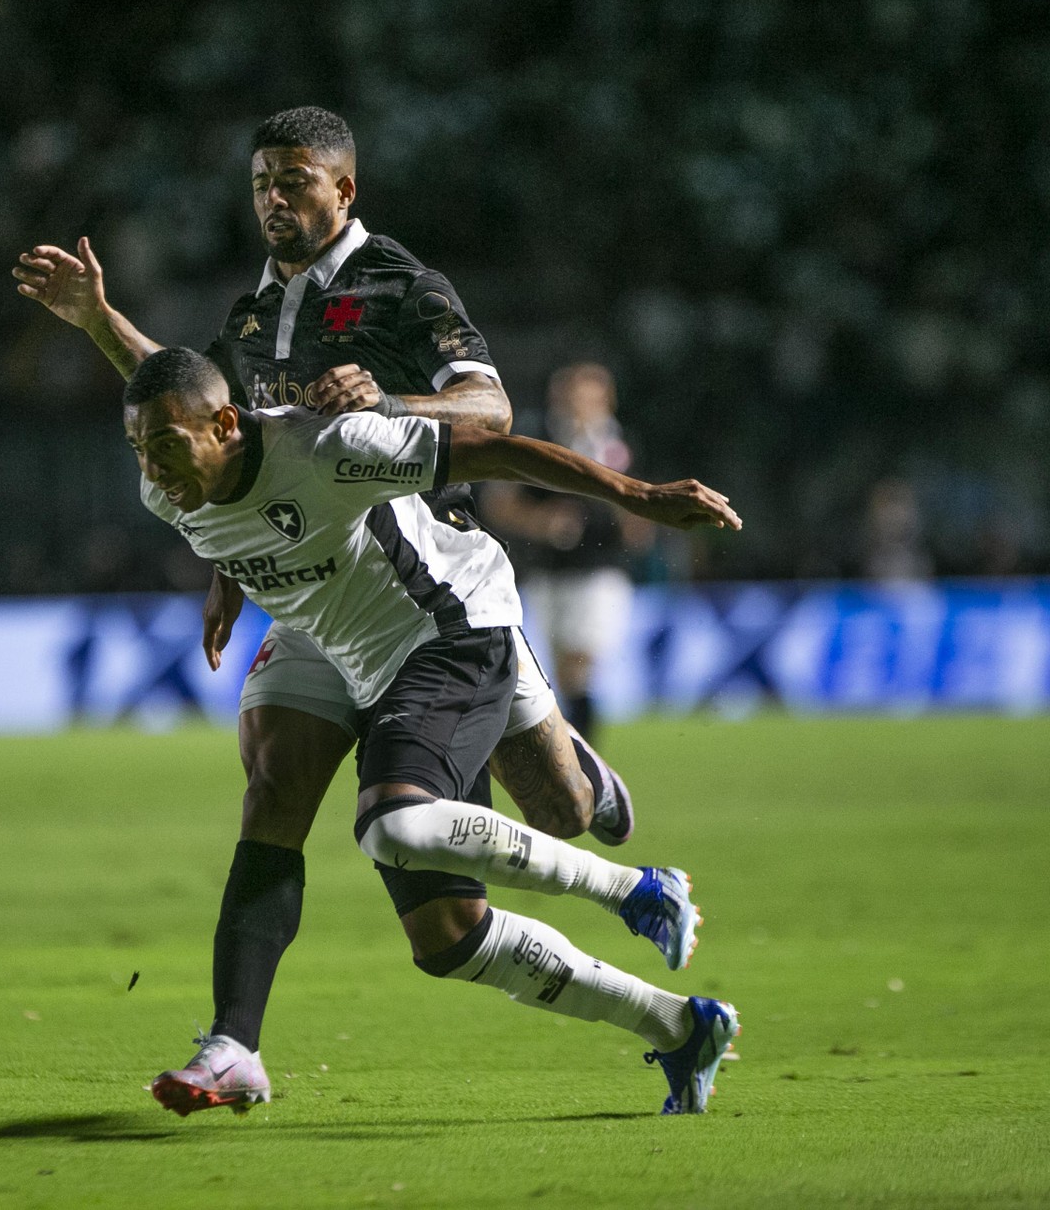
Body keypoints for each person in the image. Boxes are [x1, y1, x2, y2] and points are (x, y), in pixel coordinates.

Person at [14, 108, 639, 1086]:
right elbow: (207, 423)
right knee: (274, 784)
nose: (274, 196)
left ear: (343, 190)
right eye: (262, 179)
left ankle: (583, 776)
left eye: (296, 180)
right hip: (310, 589)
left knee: (539, 825)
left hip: (426, 576)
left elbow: (492, 412)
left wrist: (388, 402)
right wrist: (227, 568)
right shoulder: (251, 317)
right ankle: (234, 1043)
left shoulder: (399, 285)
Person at [120, 346, 742, 1116]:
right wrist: (94, 318)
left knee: (396, 823)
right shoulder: (169, 485)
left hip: (448, 632)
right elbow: (171, 404)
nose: (152, 467)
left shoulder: (323, 447)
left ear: (223, 424)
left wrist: (637, 495)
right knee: (447, 938)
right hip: (359, 662)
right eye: (139, 448)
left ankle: (636, 890)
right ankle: (680, 1027)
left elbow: (493, 448)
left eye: (167, 447)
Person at [479, 363, 646, 744]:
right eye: (573, 396)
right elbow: (499, 504)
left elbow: (642, 519)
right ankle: (570, 746)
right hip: (547, 572)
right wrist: (541, 523)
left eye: (589, 398)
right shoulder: (535, 441)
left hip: (602, 573)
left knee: (579, 660)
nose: (579, 406)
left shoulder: (621, 447)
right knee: (558, 673)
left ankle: (582, 746)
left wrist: (629, 514)